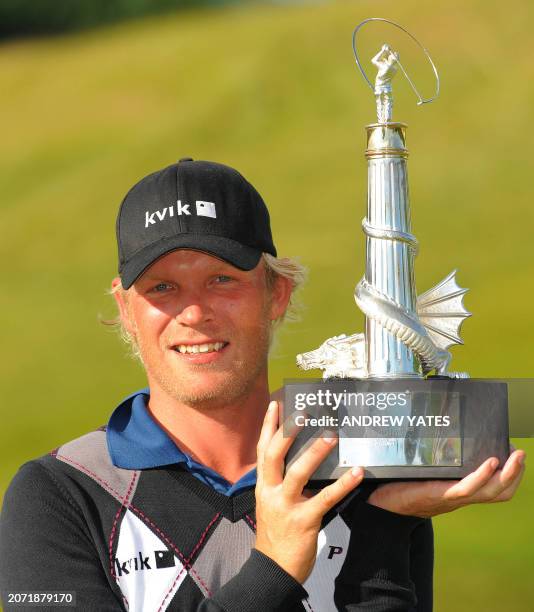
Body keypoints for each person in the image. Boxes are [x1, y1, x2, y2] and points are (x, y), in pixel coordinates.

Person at [0, 159, 525, 612]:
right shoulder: (60, 493)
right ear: (126, 310)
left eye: (222, 280)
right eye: (162, 287)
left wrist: (386, 526)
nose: (194, 312)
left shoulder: (358, 468)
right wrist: (272, 569)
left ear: (276, 294)